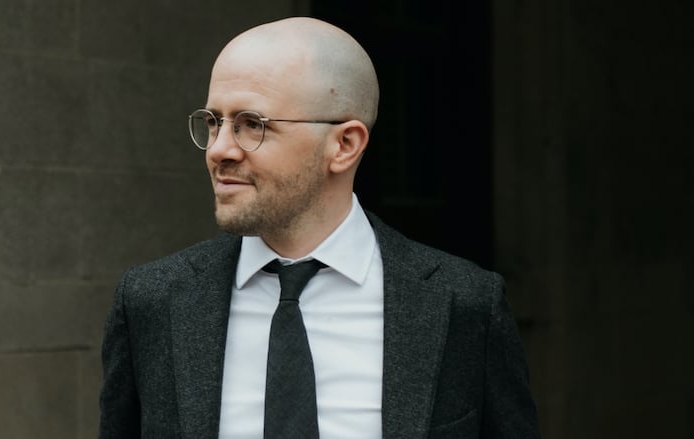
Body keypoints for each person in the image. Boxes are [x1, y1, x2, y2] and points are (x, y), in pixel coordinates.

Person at [99, 16, 540, 439]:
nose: (219, 150)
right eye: (214, 122)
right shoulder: (151, 301)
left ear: (344, 145)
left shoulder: (466, 305)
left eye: (252, 124)